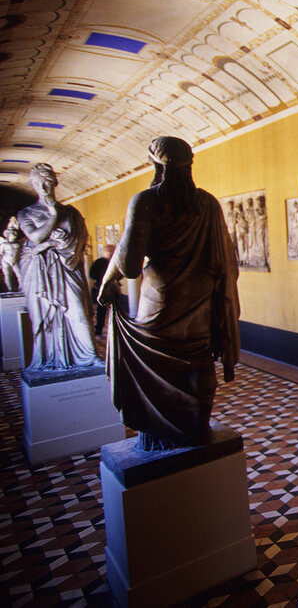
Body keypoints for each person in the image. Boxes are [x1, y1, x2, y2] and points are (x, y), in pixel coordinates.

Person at [97, 137, 240, 451]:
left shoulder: (145, 201)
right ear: (190, 164)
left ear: (154, 162)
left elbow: (131, 266)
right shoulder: (207, 202)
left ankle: (160, 431)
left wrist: (111, 274)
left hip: (160, 297)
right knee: (198, 359)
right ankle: (197, 426)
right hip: (200, 297)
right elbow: (225, 258)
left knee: (157, 363)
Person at [17, 163, 100, 371]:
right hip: (40, 274)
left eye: (46, 182)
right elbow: (35, 237)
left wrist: (64, 244)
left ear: (55, 182)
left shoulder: (71, 212)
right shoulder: (26, 213)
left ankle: (89, 355)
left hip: (68, 267)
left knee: (80, 314)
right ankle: (47, 358)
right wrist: (53, 219)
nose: (43, 187)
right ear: (33, 186)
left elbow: (81, 240)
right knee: (44, 320)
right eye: (38, 183)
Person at [89, 244, 114, 335]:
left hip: (113, 289)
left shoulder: (113, 262)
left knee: (114, 310)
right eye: (111, 253)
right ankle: (99, 329)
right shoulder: (99, 262)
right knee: (101, 310)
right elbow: (92, 274)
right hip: (102, 289)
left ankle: (115, 329)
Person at [0, 216, 23, 292]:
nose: (14, 235)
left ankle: (21, 287)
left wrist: (14, 223)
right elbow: (0, 253)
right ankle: (10, 289)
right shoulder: (4, 244)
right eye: (13, 234)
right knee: (7, 276)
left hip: (15, 260)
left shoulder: (19, 243)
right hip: (6, 261)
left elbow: (22, 252)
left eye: (15, 233)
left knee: (19, 275)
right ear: (8, 235)